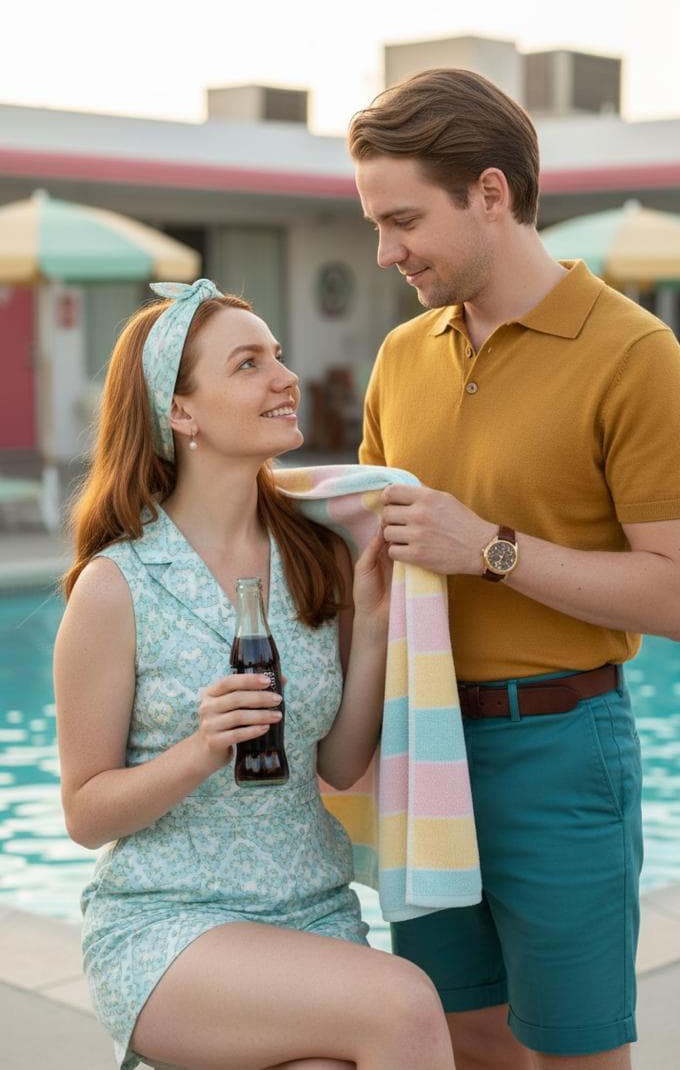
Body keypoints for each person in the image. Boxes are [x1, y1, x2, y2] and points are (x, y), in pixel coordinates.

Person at [349, 68, 680, 1070]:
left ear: (489, 192)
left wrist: (488, 549)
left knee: (576, 1052)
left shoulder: (637, 354)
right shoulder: (399, 355)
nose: (385, 251)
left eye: (403, 219)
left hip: (559, 747)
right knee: (460, 1039)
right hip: (419, 744)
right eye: (374, 223)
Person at [53, 279, 456, 1070]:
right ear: (181, 412)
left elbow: (339, 762)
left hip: (313, 914)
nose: (286, 377)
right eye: (248, 364)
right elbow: (85, 814)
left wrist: (374, 623)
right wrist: (201, 750)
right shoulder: (116, 587)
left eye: (276, 355)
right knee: (407, 1003)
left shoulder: (319, 556)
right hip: (169, 926)